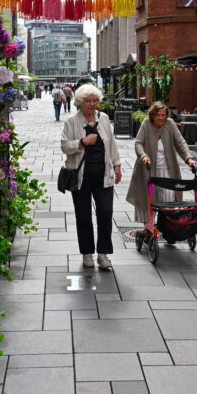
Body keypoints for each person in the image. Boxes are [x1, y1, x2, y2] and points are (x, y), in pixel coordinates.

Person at [60, 83, 122, 270]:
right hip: (80, 178)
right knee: (83, 216)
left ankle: (103, 254)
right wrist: (82, 142)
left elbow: (111, 144)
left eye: (95, 100)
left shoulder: (103, 119)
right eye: (88, 101)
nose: (92, 104)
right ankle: (87, 253)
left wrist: (117, 165)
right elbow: (64, 146)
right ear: (80, 102)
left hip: (103, 176)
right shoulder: (72, 122)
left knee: (105, 213)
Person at [125, 101, 196, 223]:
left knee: (169, 198)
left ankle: (169, 226)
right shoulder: (146, 124)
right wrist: (143, 156)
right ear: (152, 115)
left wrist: (188, 158)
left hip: (167, 171)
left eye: (163, 115)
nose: (161, 117)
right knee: (149, 197)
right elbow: (138, 143)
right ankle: (148, 226)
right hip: (149, 173)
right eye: (158, 115)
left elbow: (180, 142)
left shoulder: (170, 124)